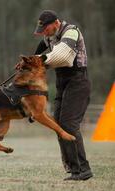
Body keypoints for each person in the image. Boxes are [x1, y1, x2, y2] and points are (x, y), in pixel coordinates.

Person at [33, 10, 93, 181]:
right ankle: (74, 169)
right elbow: (37, 53)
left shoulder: (71, 32)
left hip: (78, 81)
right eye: (42, 29)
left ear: (56, 23)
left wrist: (38, 60)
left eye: (45, 28)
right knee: (58, 124)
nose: (44, 32)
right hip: (62, 83)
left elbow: (62, 57)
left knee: (69, 124)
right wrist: (29, 61)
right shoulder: (49, 37)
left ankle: (83, 168)